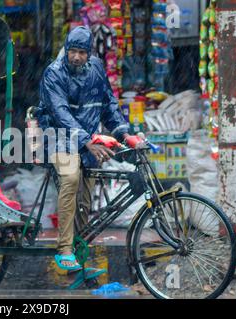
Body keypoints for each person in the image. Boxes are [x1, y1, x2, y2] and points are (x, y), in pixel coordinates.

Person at [36, 26, 144, 275]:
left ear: (89, 53)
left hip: (87, 140)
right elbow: (60, 114)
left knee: (85, 199)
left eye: (81, 53)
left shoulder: (96, 68)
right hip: (58, 137)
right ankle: (64, 249)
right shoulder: (54, 73)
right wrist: (88, 141)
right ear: (66, 50)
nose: (76, 57)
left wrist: (125, 134)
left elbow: (108, 105)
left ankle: (79, 249)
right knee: (71, 178)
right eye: (72, 51)